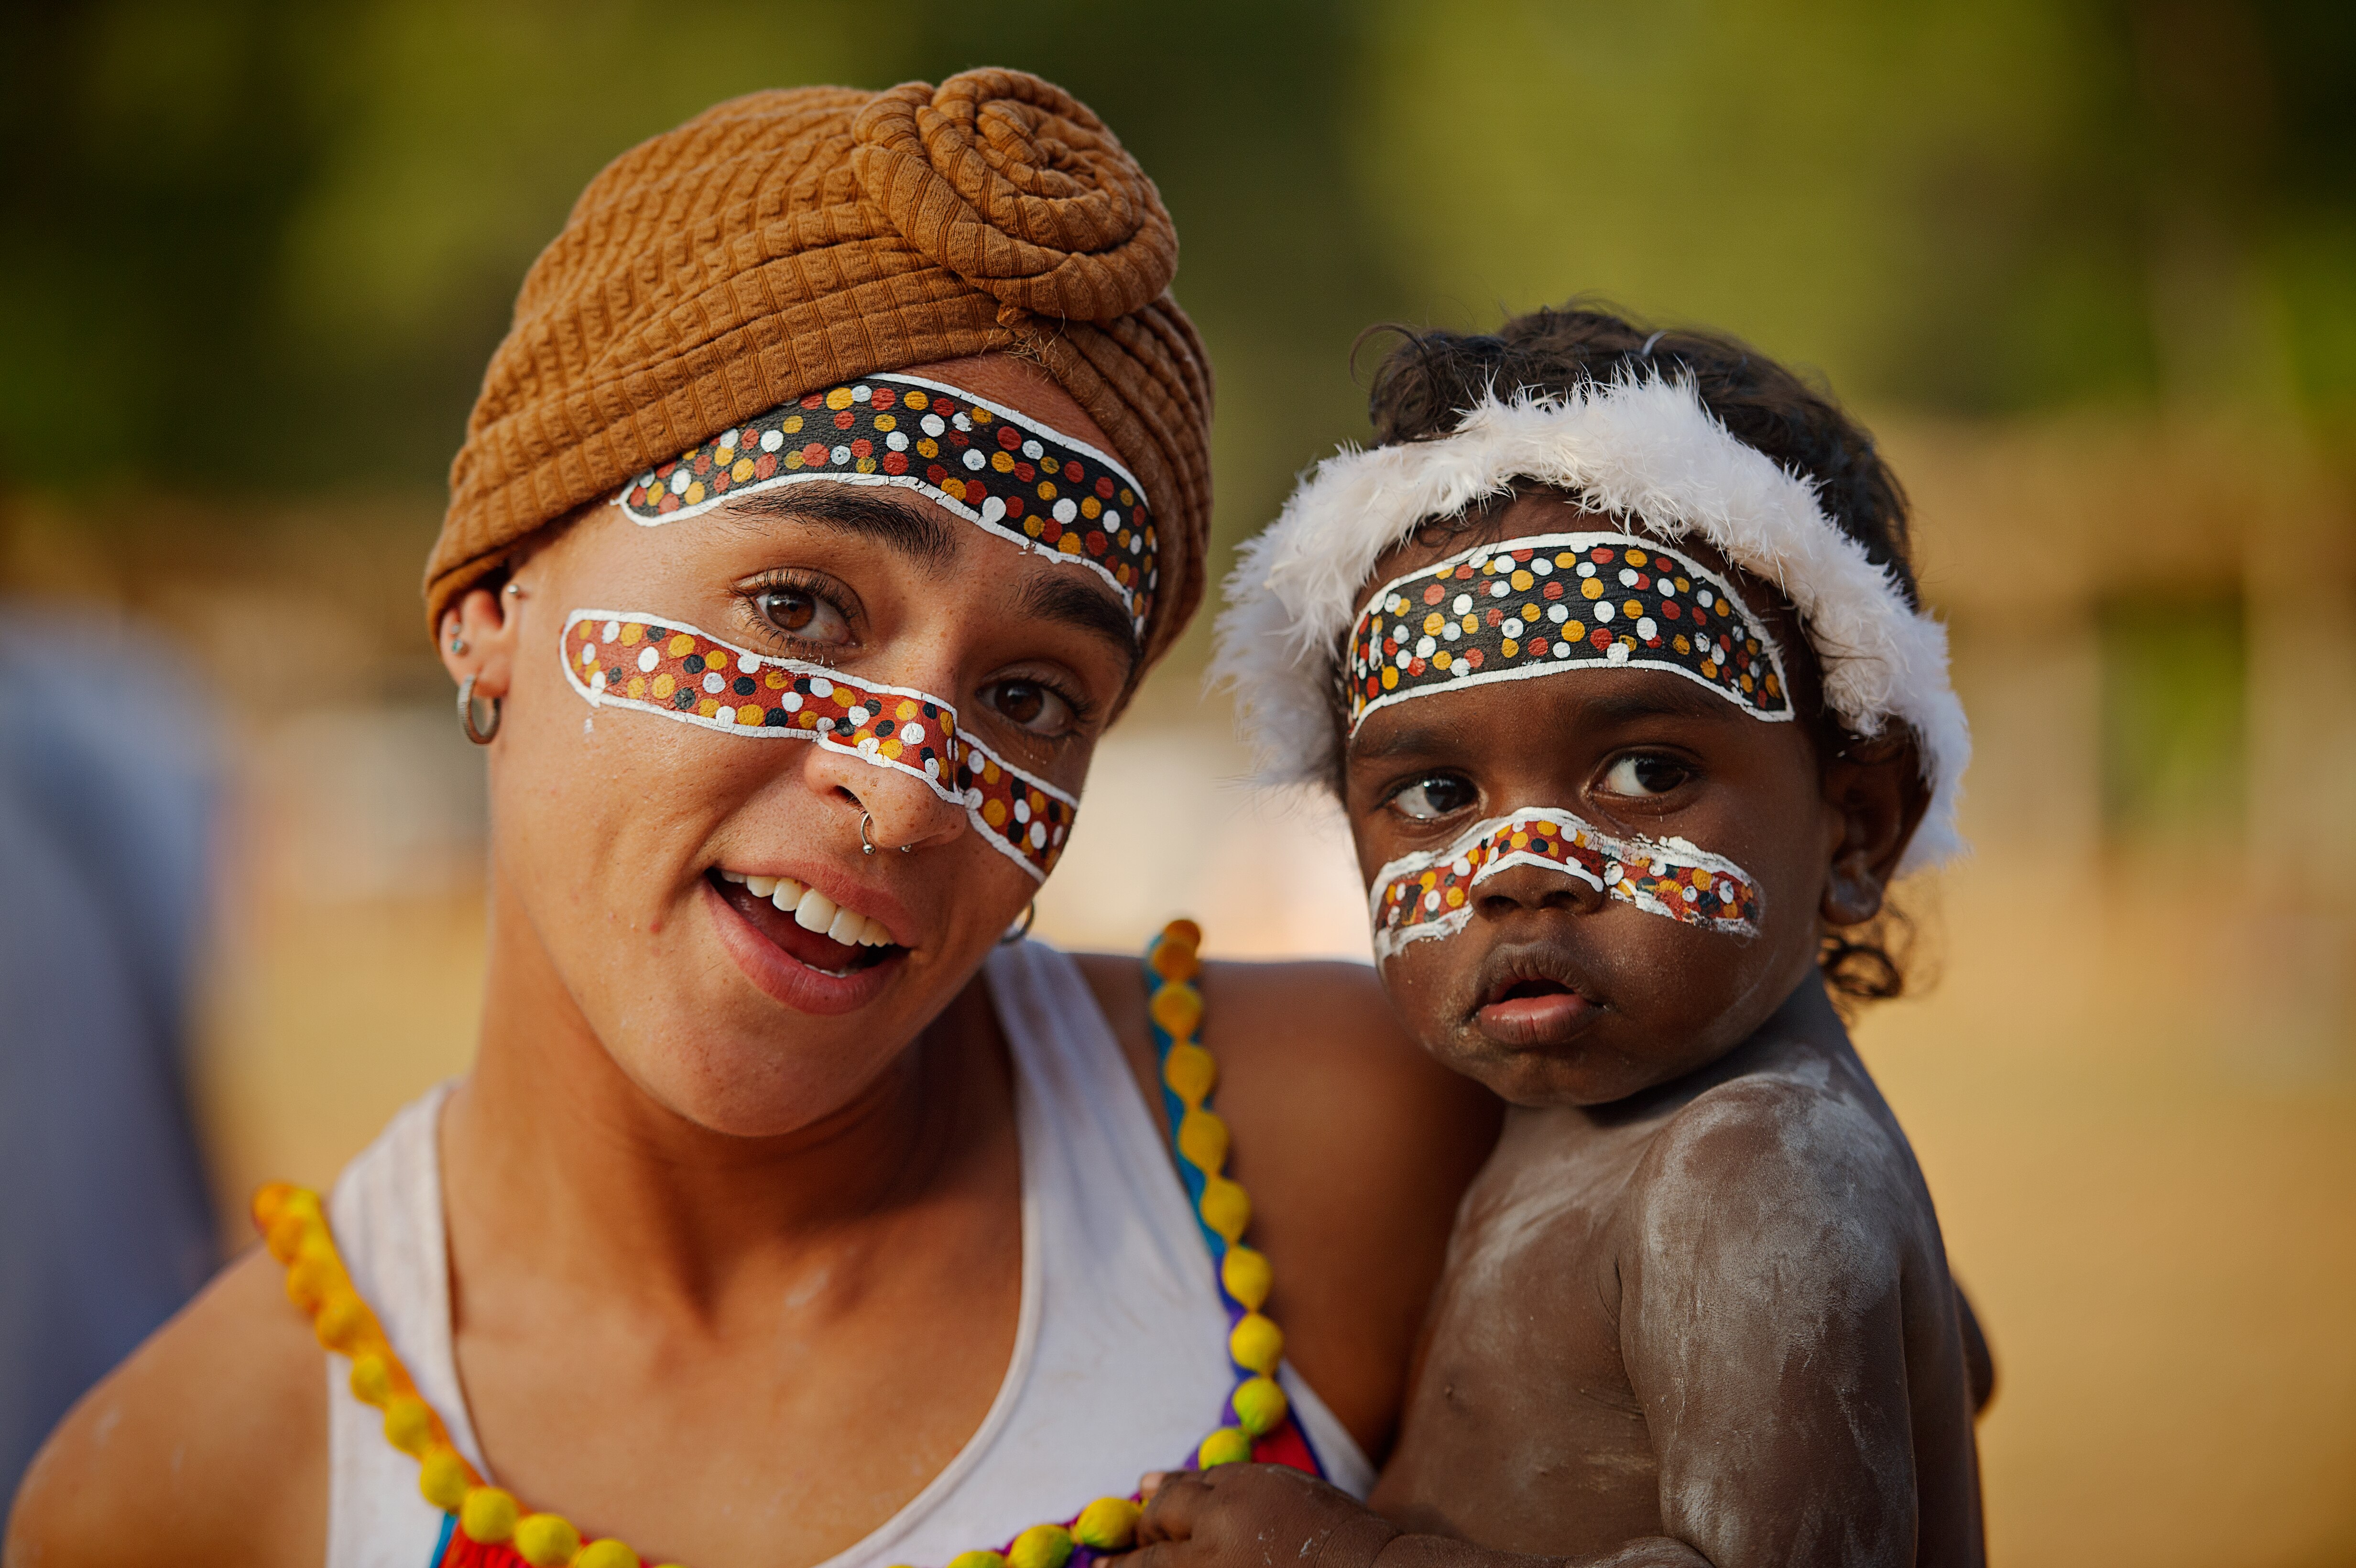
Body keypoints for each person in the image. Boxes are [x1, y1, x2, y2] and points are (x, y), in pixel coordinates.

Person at [6, 74, 1498, 1568]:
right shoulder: (208, 1488)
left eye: (1035, 698)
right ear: (489, 606)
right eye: (800, 608)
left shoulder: (1352, 1153)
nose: (906, 789)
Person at [1119, 307, 1990, 1568]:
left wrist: (1338, 1560)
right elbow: (1951, 1360)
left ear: (1856, 827)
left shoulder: (1744, 1165)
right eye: (1435, 799)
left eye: (1643, 770)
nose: (1519, 869)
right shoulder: (1657, 1121)